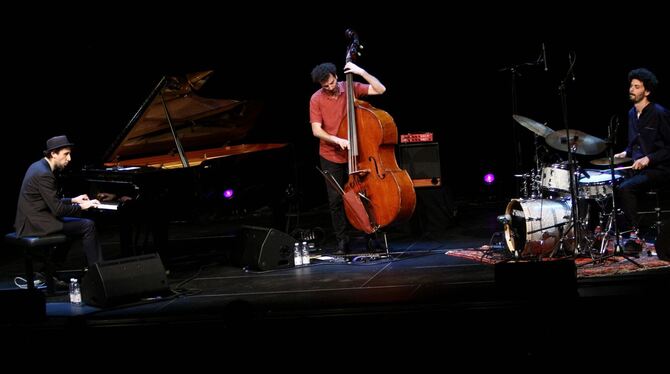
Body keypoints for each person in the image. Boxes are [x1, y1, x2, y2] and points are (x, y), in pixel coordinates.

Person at [309, 61, 386, 254]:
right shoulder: (316, 99)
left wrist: (362, 71)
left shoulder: (350, 87)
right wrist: (337, 140)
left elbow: (380, 89)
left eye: (332, 83)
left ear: (336, 77)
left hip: (358, 152)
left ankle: (372, 236)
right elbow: (316, 130)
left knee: (365, 195)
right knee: (335, 201)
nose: (329, 88)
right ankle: (342, 242)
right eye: (325, 86)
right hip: (330, 154)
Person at [14, 135, 104, 270]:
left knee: (74, 226)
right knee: (87, 225)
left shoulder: (38, 166)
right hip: (34, 224)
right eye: (66, 154)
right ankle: (98, 271)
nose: (69, 159)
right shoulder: (44, 174)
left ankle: (49, 270)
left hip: (34, 219)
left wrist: (73, 200)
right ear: (53, 154)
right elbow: (57, 209)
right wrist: (82, 206)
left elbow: (48, 201)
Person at [614, 68, 670, 260]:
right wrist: (625, 153)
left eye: (637, 87)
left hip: (660, 169)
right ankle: (619, 235)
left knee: (626, 189)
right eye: (631, 85)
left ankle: (639, 233)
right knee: (611, 184)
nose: (631, 89)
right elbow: (635, 144)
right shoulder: (631, 113)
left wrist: (649, 158)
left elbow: (668, 148)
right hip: (641, 169)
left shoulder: (660, 113)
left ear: (646, 92)